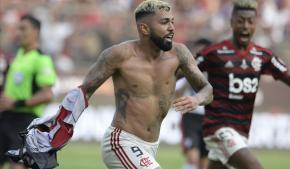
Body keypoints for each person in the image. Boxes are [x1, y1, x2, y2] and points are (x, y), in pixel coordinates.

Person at [6, 1, 213, 169]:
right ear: (144, 28)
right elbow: (84, 91)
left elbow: (207, 89)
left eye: (173, 22)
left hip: (151, 145)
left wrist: (196, 99)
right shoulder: (119, 55)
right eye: (165, 22)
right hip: (120, 141)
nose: (172, 28)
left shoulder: (180, 53)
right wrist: (56, 126)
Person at [197, 0, 290, 169]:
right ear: (231, 22)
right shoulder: (214, 52)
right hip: (218, 128)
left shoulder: (263, 56)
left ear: (256, 24)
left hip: (241, 132)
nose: (245, 26)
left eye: (250, 21)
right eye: (240, 21)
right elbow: (183, 71)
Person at [0, 15, 57, 169]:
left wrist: (16, 103)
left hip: (24, 122)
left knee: (17, 166)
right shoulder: (17, 57)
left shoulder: (41, 59)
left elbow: (47, 94)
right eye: (18, 28)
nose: (18, 32)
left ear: (36, 32)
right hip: (4, 119)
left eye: (23, 28)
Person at [178, 38, 212, 169]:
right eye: (198, 52)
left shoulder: (217, 73)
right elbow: (177, 94)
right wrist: (189, 79)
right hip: (191, 118)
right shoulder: (187, 71)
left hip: (209, 119)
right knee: (193, 157)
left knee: (204, 163)